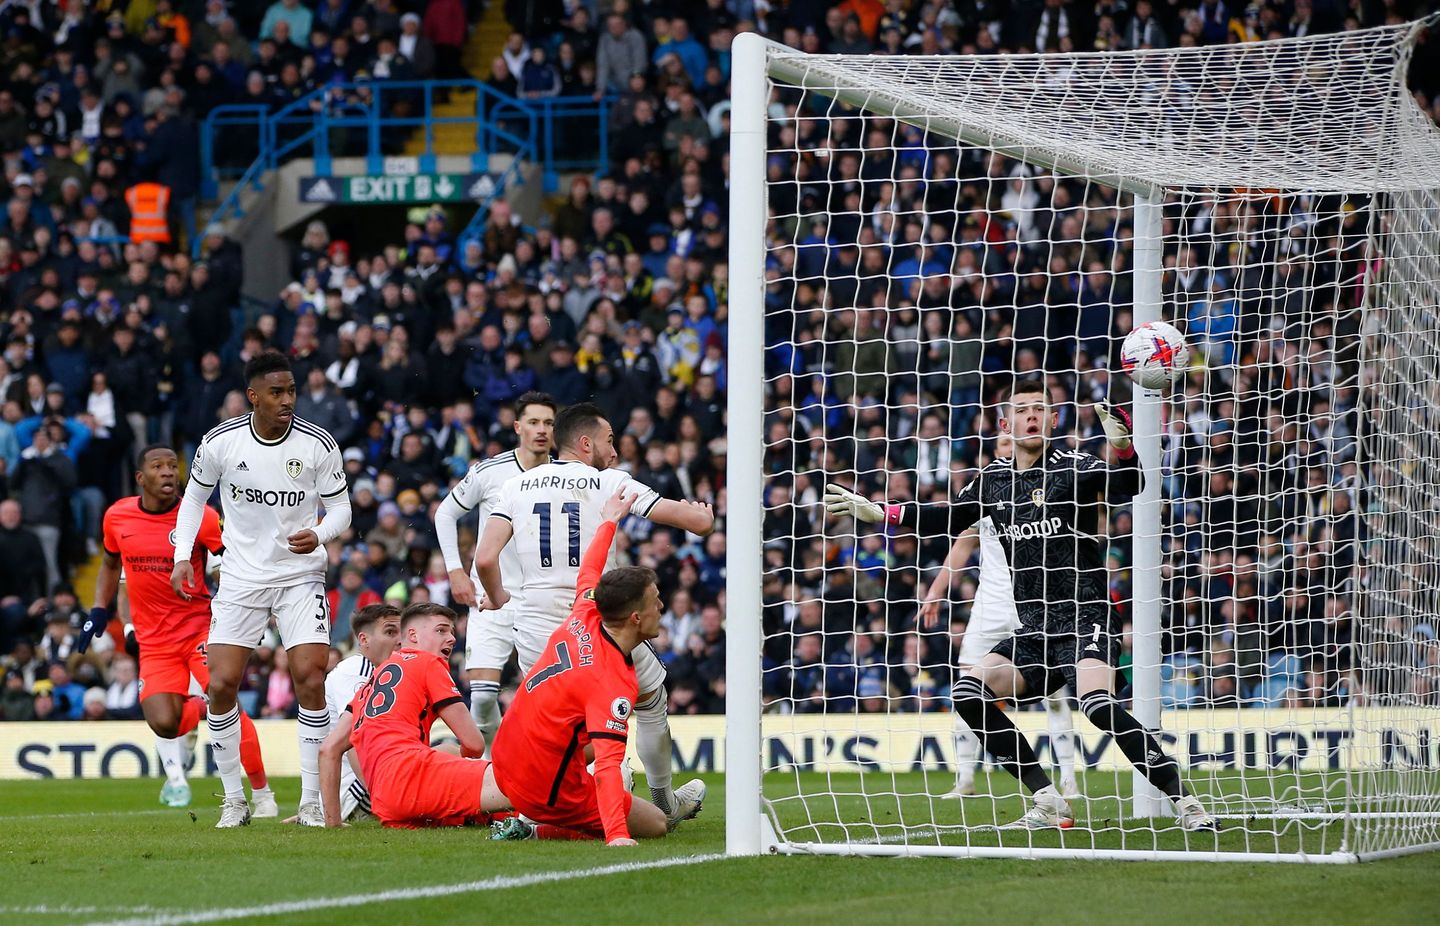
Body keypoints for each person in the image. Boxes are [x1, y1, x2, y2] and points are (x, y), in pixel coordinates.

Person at [824, 380, 1215, 831]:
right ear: (1007, 424)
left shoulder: (1075, 466)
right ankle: (1048, 800)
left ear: (1053, 420)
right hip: (1033, 628)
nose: (1032, 416)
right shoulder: (993, 479)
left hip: (1085, 615)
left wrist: (1123, 447)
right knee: (968, 692)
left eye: (1040, 409)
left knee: (1097, 706)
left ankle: (1186, 803)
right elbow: (950, 516)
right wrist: (882, 512)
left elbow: (1131, 483)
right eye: (1022, 410)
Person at [475, 402, 714, 824]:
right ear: (585, 444)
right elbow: (695, 524)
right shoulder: (610, 482)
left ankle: (539, 812)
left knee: (554, 725)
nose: (615, 452)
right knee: (650, 697)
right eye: (609, 441)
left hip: (537, 629)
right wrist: (703, 513)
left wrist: (496, 598)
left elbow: (485, 557)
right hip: (595, 620)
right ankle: (661, 800)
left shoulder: (514, 487)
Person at [171, 351, 352, 828]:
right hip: (242, 576)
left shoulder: (318, 444)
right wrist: (179, 559)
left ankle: (312, 802)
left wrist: (321, 534)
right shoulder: (221, 443)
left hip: (299, 574)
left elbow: (342, 510)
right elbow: (192, 503)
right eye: (276, 392)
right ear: (254, 396)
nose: (287, 400)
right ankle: (234, 800)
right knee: (220, 685)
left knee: (310, 679)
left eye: (291, 391)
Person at [489, 486, 705, 844]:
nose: (662, 608)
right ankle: (535, 829)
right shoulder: (611, 682)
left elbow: (589, 569)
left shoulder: (586, 611)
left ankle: (625, 795)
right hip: (542, 788)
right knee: (654, 824)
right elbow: (604, 766)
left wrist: (608, 521)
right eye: (656, 602)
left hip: (507, 759)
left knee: (596, 742)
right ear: (636, 617)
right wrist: (617, 835)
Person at [81, 444, 273, 812]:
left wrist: (244, 611)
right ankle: (199, 711)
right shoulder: (117, 516)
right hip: (154, 643)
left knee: (226, 699)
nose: (169, 472)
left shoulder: (199, 516)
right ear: (141, 478)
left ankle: (263, 794)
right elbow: (108, 564)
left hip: (199, 631)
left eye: (173, 466)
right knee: (165, 723)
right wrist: (97, 610)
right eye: (158, 466)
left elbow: (233, 560)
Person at [919, 433, 1079, 801]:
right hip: (990, 604)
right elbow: (962, 545)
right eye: (1006, 442)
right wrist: (935, 592)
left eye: (1015, 441)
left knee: (1054, 693)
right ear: (997, 451)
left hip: (1035, 603)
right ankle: (965, 777)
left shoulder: (1047, 486)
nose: (1012, 446)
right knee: (966, 687)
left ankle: (1068, 777)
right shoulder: (987, 488)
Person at [433, 392, 555, 754]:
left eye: (548, 423)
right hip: (491, 597)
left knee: (551, 697)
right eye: (533, 422)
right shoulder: (490, 471)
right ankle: (494, 770)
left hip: (544, 599)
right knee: (483, 700)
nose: (542, 430)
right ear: (517, 427)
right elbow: (444, 514)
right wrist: (455, 570)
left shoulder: (564, 474)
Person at [318, 602, 510, 828]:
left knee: (498, 812)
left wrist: (333, 823)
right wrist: (466, 758)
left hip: (386, 803)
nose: (451, 638)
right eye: (441, 630)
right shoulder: (428, 662)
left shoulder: (369, 684)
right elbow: (475, 744)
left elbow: (328, 750)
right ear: (413, 635)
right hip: (411, 775)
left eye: (451, 631)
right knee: (524, 784)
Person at [322, 603, 400, 823]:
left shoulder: (389, 671)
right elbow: (356, 739)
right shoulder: (357, 671)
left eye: (401, 633)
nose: (399, 640)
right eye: (390, 632)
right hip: (357, 794)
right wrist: (385, 801)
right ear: (364, 640)